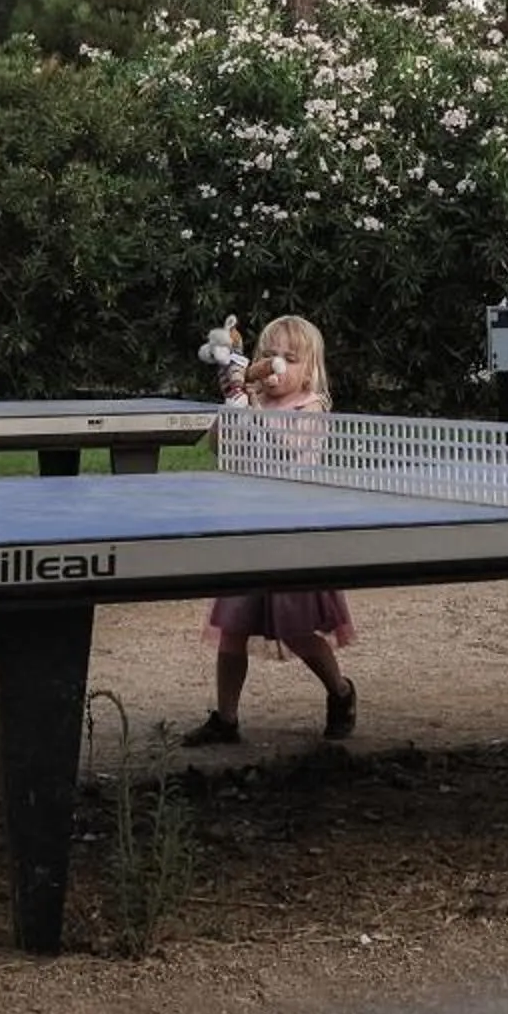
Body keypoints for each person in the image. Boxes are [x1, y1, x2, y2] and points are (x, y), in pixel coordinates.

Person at [182, 315, 358, 746]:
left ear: (309, 369)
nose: (276, 363)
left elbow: (288, 447)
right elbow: (216, 445)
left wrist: (254, 410)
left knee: (299, 633)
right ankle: (226, 719)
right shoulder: (250, 399)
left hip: (291, 537)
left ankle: (340, 692)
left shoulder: (310, 407)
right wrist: (233, 406)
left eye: (289, 358)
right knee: (232, 631)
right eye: (268, 355)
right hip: (246, 531)